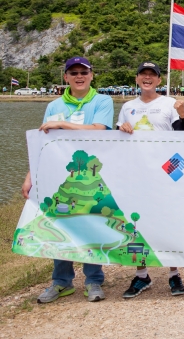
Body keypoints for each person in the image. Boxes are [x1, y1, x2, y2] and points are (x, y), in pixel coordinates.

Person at [22, 57, 114, 304]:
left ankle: (94, 279)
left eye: (84, 72)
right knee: (59, 224)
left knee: (91, 222)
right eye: (73, 73)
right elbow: (44, 143)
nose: (79, 76)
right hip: (59, 174)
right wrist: (30, 176)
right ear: (66, 77)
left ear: (92, 75)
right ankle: (61, 282)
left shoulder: (102, 100)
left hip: (93, 174)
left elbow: (100, 129)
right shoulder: (53, 105)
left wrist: (63, 124)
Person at [117, 62, 184, 298]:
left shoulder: (170, 104)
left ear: (159, 80)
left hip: (165, 173)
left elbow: (183, 139)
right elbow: (117, 142)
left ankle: (174, 274)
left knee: (168, 222)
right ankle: (142, 275)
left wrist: (181, 115)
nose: (147, 78)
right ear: (137, 78)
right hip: (137, 174)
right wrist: (122, 129)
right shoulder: (128, 107)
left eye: (152, 75)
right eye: (143, 75)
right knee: (137, 224)